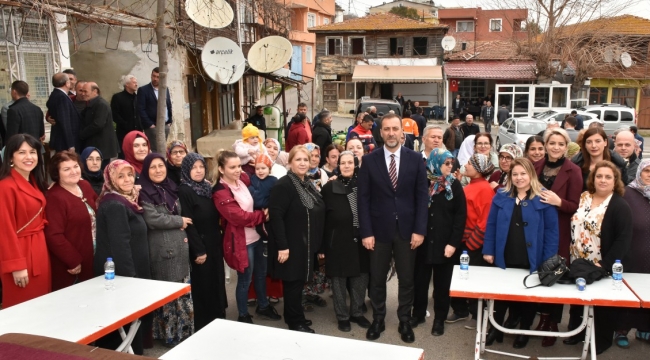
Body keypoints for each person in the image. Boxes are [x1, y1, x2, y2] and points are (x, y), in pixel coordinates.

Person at [357, 113, 428, 343]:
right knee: (377, 278)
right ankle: (378, 319)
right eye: (386, 129)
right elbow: (363, 200)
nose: (390, 133)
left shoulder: (416, 159)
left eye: (394, 129)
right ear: (380, 132)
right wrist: (366, 232)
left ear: (402, 131)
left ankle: (404, 320)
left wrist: (420, 230)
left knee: (407, 279)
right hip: (378, 232)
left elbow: (421, 197)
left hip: (408, 231)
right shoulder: (369, 160)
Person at [483, 158, 559, 349]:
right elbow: (491, 224)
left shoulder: (543, 197)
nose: (519, 178)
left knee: (527, 296)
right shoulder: (501, 195)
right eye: (515, 174)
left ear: (531, 175)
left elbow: (551, 230)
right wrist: (489, 250)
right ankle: (496, 328)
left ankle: (524, 330)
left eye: (523, 174)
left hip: (532, 256)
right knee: (501, 295)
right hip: (506, 253)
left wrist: (548, 258)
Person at [565, 161, 632, 354]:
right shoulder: (583, 197)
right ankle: (577, 333)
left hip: (601, 263)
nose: (603, 180)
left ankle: (600, 340)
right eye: (599, 176)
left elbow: (623, 240)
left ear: (615, 181)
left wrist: (605, 263)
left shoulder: (619, 205)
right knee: (578, 298)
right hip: (577, 260)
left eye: (608, 177)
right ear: (593, 179)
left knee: (601, 305)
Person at [212, 150, 281, 324]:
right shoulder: (220, 192)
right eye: (232, 167)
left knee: (261, 274)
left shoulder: (242, 180)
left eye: (239, 166)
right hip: (242, 242)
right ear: (221, 169)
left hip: (257, 237)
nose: (238, 170)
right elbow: (239, 217)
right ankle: (243, 314)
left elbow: (260, 186)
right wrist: (264, 215)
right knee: (245, 279)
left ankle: (263, 306)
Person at [530, 128, 583, 345]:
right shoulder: (536, 166)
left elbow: (575, 206)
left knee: (554, 272)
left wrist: (558, 202)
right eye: (552, 143)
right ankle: (541, 318)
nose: (556, 147)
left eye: (561, 144)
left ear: (566, 147)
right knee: (536, 270)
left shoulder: (573, 170)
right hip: (535, 227)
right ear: (546, 145)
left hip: (559, 229)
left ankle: (552, 322)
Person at [93, 159, 150, 354]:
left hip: (129, 271)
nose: (127, 180)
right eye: (120, 176)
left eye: (129, 174)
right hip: (124, 275)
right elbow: (120, 246)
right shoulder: (115, 205)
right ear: (111, 179)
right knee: (125, 324)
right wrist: (131, 281)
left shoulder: (125, 200)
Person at [137, 153, 194, 345]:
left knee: (182, 292)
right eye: (152, 167)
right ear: (146, 170)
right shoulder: (143, 192)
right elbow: (152, 219)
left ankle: (184, 332)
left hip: (180, 249)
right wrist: (178, 221)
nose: (158, 170)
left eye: (160, 165)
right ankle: (170, 335)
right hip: (163, 250)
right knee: (168, 294)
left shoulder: (171, 186)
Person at [269, 145, 326, 333]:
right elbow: (276, 217)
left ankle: (296, 316)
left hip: (305, 243)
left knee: (298, 281)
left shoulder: (306, 183)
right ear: (290, 162)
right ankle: (294, 322)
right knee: (293, 283)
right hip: (291, 244)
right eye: (298, 159)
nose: (302, 163)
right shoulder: (284, 185)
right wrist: (283, 247)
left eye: (305, 159)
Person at [411, 149, 466, 336]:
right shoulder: (422, 183)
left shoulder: (454, 186)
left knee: (442, 286)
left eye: (452, 163)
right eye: (447, 163)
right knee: (420, 282)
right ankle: (417, 314)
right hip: (423, 243)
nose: (451, 167)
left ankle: (439, 319)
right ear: (435, 163)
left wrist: (453, 244)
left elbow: (460, 217)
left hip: (445, 245)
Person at [321, 151, 371, 332]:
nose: (347, 166)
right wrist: (322, 245)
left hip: (360, 239)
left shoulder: (364, 185)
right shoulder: (328, 188)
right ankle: (342, 316)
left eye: (350, 162)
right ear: (338, 165)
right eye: (343, 163)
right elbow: (322, 218)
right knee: (339, 280)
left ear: (355, 164)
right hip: (337, 240)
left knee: (360, 277)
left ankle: (357, 312)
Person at [178, 153, 227, 331]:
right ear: (186, 170)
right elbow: (189, 223)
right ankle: (205, 323)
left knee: (216, 280)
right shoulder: (185, 190)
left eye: (201, 167)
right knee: (204, 284)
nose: (198, 171)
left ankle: (218, 317)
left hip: (214, 241)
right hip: (200, 244)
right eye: (194, 167)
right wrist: (198, 250)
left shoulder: (206, 187)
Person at [0, 134, 50, 308]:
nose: (29, 157)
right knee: (22, 306)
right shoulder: (5, 186)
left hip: (39, 249)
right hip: (19, 252)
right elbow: (4, 229)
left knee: (41, 302)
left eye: (33, 152)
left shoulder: (34, 180)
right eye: (22, 152)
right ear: (11, 157)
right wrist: (16, 265)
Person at [448, 153, 494, 325]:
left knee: (473, 278)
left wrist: (471, 243)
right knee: (461, 276)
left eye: (469, 163)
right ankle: (460, 310)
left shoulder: (484, 189)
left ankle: (476, 314)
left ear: (478, 169)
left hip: (471, 243)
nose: (465, 165)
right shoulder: (473, 185)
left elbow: (484, 221)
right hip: (463, 240)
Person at [45, 151, 97, 292]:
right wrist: (73, 260)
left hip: (93, 256)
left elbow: (98, 205)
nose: (73, 171)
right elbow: (53, 235)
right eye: (66, 169)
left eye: (75, 166)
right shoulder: (54, 197)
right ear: (57, 173)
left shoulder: (84, 185)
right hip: (71, 265)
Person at [616, 159, 650, 346]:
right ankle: (621, 330)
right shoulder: (627, 193)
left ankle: (645, 329)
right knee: (629, 292)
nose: (649, 174)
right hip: (632, 251)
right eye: (646, 171)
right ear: (639, 172)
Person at [78, 82, 118, 167]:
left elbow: (98, 125)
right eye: (82, 91)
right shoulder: (92, 103)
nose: (83, 94)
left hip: (101, 147)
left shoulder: (101, 104)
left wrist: (81, 134)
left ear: (95, 91)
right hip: (97, 146)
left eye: (85, 91)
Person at [138, 67, 172, 152]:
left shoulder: (165, 89)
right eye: (154, 76)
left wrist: (170, 120)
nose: (155, 79)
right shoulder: (143, 90)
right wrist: (150, 124)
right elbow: (141, 109)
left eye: (158, 77)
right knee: (156, 150)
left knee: (163, 149)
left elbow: (168, 105)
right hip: (153, 126)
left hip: (165, 124)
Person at [47, 72, 81, 152]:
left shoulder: (56, 94)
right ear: (67, 83)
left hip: (61, 141)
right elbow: (65, 122)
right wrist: (70, 145)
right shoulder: (61, 97)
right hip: (64, 143)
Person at [111, 74, 142, 157]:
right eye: (134, 82)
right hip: (123, 133)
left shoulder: (138, 98)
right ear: (127, 84)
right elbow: (114, 114)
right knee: (124, 155)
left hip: (137, 133)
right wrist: (125, 124)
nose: (136, 84)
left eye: (136, 82)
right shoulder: (118, 97)